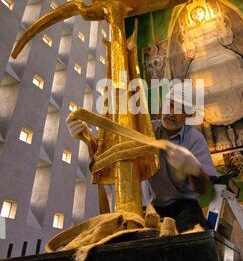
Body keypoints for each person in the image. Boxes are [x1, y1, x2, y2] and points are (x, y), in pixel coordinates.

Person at [67, 86, 218, 232]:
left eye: (181, 110)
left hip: (184, 207)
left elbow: (204, 188)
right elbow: (113, 151)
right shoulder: (146, 130)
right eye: (170, 104)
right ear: (162, 105)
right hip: (149, 208)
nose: (172, 113)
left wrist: (193, 168)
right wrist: (87, 137)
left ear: (189, 115)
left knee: (192, 236)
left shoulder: (195, 140)